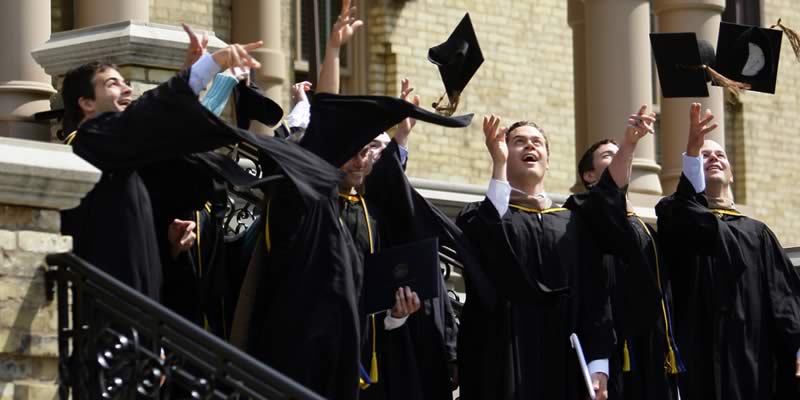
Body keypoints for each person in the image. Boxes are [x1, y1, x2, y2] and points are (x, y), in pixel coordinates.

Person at [60, 38, 263, 301]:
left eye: (124, 82)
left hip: (142, 310)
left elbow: (163, 131)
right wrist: (207, 67)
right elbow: (149, 117)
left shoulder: (121, 156)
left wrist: (171, 245)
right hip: (110, 310)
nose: (126, 89)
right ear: (86, 103)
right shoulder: (89, 142)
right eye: (112, 83)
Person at [456, 115, 613, 400]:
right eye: (518, 142)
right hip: (503, 354)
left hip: (564, 357)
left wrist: (598, 364)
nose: (530, 145)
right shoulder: (478, 216)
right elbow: (488, 241)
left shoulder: (573, 224)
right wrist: (499, 165)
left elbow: (595, 294)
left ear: (548, 161)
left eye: (537, 142)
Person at [655, 103, 800, 400]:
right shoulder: (673, 212)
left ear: (732, 174)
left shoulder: (757, 233)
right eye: (705, 156)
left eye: (720, 155)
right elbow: (685, 212)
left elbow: (783, 297)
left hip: (752, 360)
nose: (714, 159)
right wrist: (692, 154)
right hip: (697, 356)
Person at [565, 106, 682, 400]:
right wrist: (629, 144)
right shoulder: (582, 210)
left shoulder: (645, 226)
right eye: (608, 155)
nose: (618, 157)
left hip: (654, 349)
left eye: (620, 154)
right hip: (614, 344)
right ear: (589, 175)